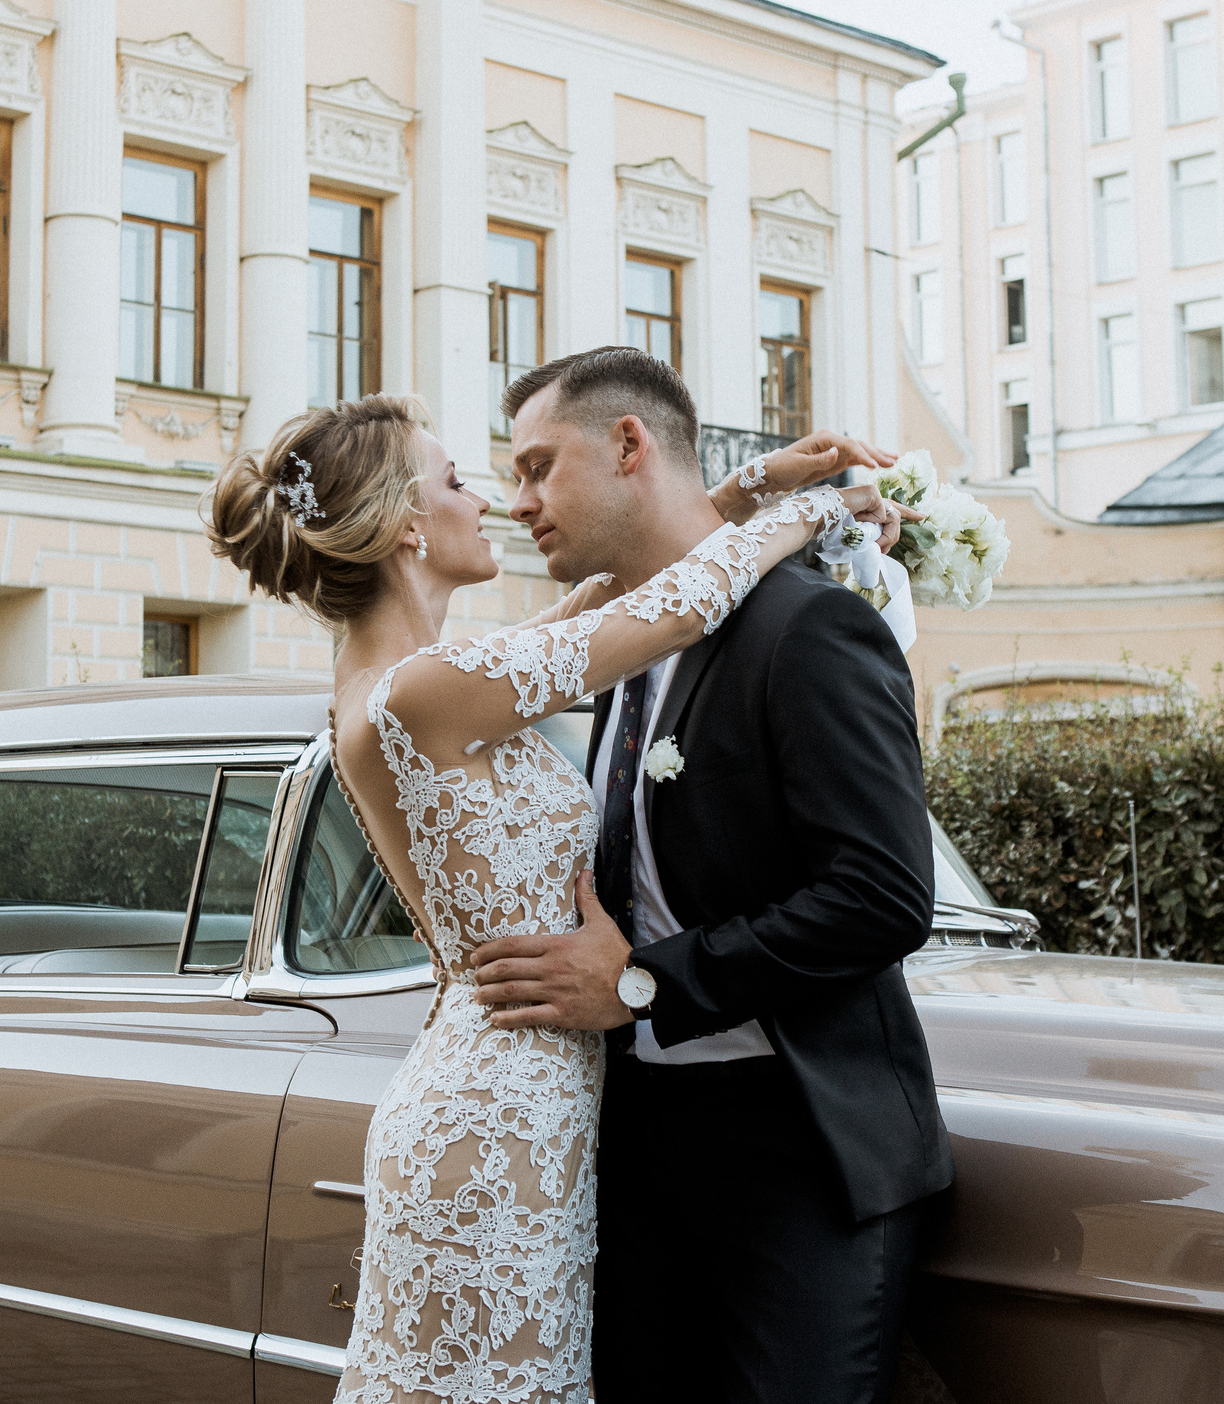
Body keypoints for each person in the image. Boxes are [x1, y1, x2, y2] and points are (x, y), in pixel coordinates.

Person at [203, 385, 903, 1404]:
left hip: (528, 1094)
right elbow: (674, 607)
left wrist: (750, 485)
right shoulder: (427, 689)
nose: (483, 498)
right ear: (405, 526)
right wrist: (824, 506)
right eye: (453, 480)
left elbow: (617, 599)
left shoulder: (416, 675)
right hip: (501, 1114)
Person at [470, 348, 953, 1404]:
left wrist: (643, 983)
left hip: (799, 1149)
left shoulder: (808, 628)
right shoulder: (612, 646)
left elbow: (879, 896)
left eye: (538, 467)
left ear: (630, 444)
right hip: (636, 1147)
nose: (518, 503)